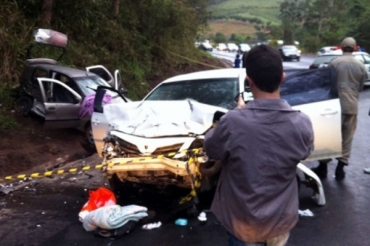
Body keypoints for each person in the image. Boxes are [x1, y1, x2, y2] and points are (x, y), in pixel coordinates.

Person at [204, 45, 314, 246]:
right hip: (280, 222)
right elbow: (304, 153)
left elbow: (211, 148)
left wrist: (237, 114)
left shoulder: (232, 122)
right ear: (282, 78)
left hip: (242, 225)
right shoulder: (302, 123)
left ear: (249, 81)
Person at [311, 37, 367, 180]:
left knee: (329, 137)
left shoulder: (334, 63)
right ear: (355, 48)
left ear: (341, 47)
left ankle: (323, 167)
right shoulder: (360, 65)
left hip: (334, 107)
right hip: (352, 106)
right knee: (347, 138)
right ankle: (340, 168)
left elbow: (326, 85)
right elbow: (360, 88)